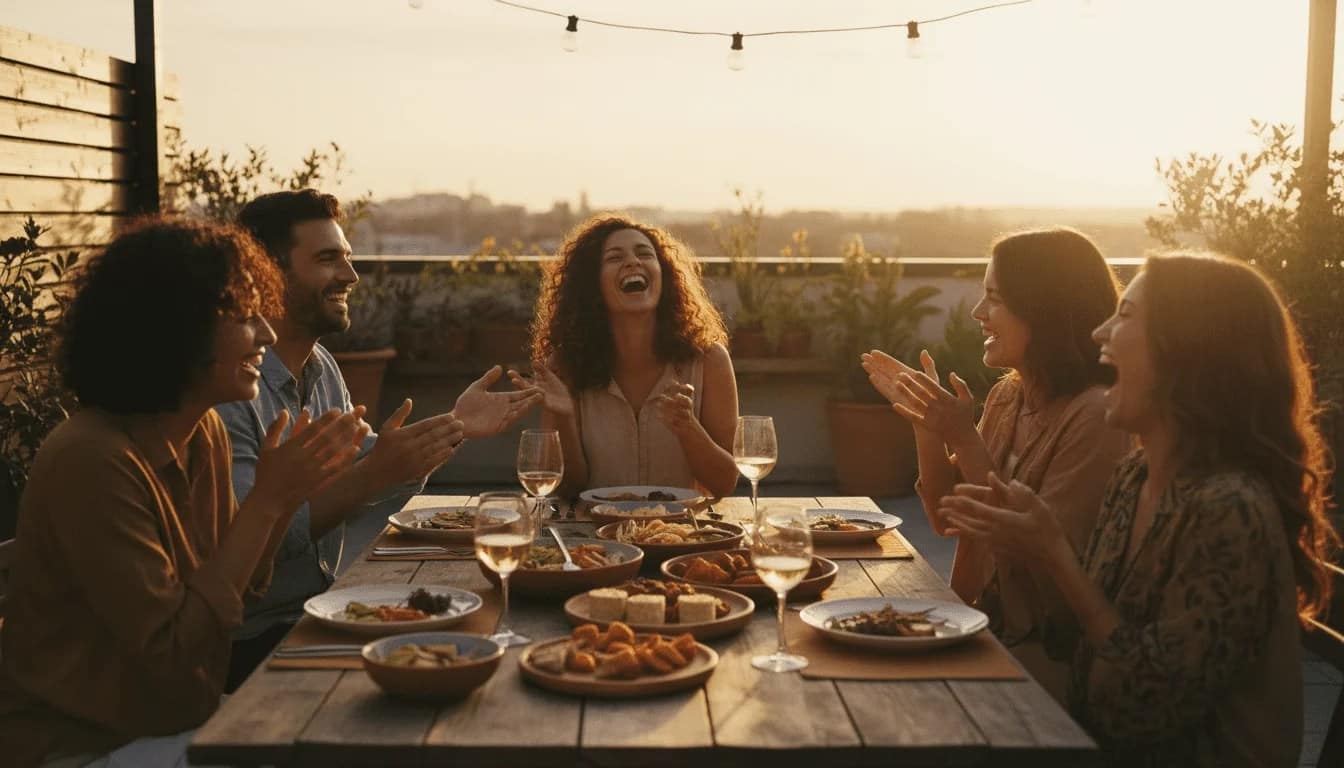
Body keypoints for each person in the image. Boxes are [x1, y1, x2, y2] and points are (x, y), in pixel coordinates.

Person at [938, 254, 1340, 766]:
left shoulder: (1230, 510)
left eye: (1125, 317)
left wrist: (1056, 557)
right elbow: (1073, 644)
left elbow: (1142, 709)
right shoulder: (1135, 478)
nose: (1100, 332)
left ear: (1188, 354)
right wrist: (1041, 553)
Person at [0, 218, 367, 768]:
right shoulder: (92, 459)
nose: (267, 335)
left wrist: (288, 493)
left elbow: (236, 596)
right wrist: (269, 499)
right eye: (246, 317)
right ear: (179, 330)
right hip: (85, 746)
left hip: (181, 719)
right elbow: (174, 655)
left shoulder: (203, 432)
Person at [218, 189, 541, 687]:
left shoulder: (320, 365)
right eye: (328, 259)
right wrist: (373, 475)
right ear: (268, 274)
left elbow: (371, 459)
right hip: (250, 645)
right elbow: (247, 543)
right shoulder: (230, 393)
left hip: (318, 614)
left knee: (489, 647)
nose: (350, 276)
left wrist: (456, 424)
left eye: (347, 258)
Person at [861, 227, 1129, 701]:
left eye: (995, 299)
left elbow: (1041, 556)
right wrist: (927, 426)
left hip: (1045, 656)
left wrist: (963, 436)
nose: (977, 313)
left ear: (1044, 311)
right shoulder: (1011, 393)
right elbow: (947, 517)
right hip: (976, 623)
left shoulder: (1095, 415)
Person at [510, 214, 740, 499]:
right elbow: (568, 489)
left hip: (680, 536)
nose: (633, 262)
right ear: (592, 283)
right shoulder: (565, 366)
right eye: (614, 258)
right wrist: (564, 415)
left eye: (645, 253)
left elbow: (725, 483)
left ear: (664, 274)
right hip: (596, 539)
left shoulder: (709, 360)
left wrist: (688, 429)